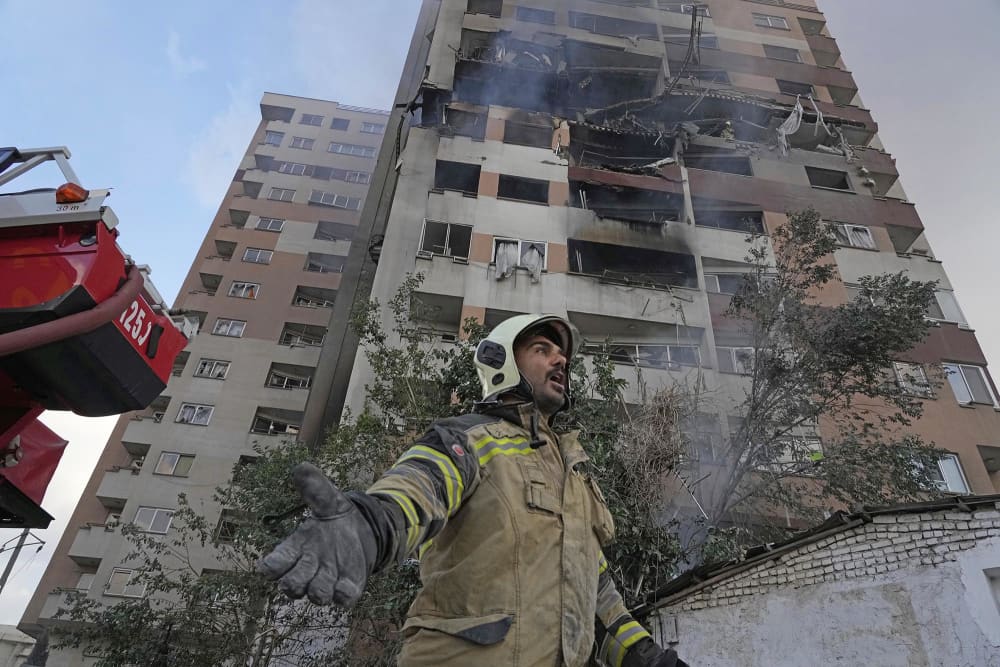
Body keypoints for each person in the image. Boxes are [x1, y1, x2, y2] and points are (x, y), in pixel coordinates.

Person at [258, 314, 689, 667]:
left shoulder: (575, 478)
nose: (560, 361)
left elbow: (594, 595)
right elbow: (419, 487)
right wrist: (369, 524)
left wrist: (647, 659)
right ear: (502, 362)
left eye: (563, 356)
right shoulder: (471, 438)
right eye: (542, 350)